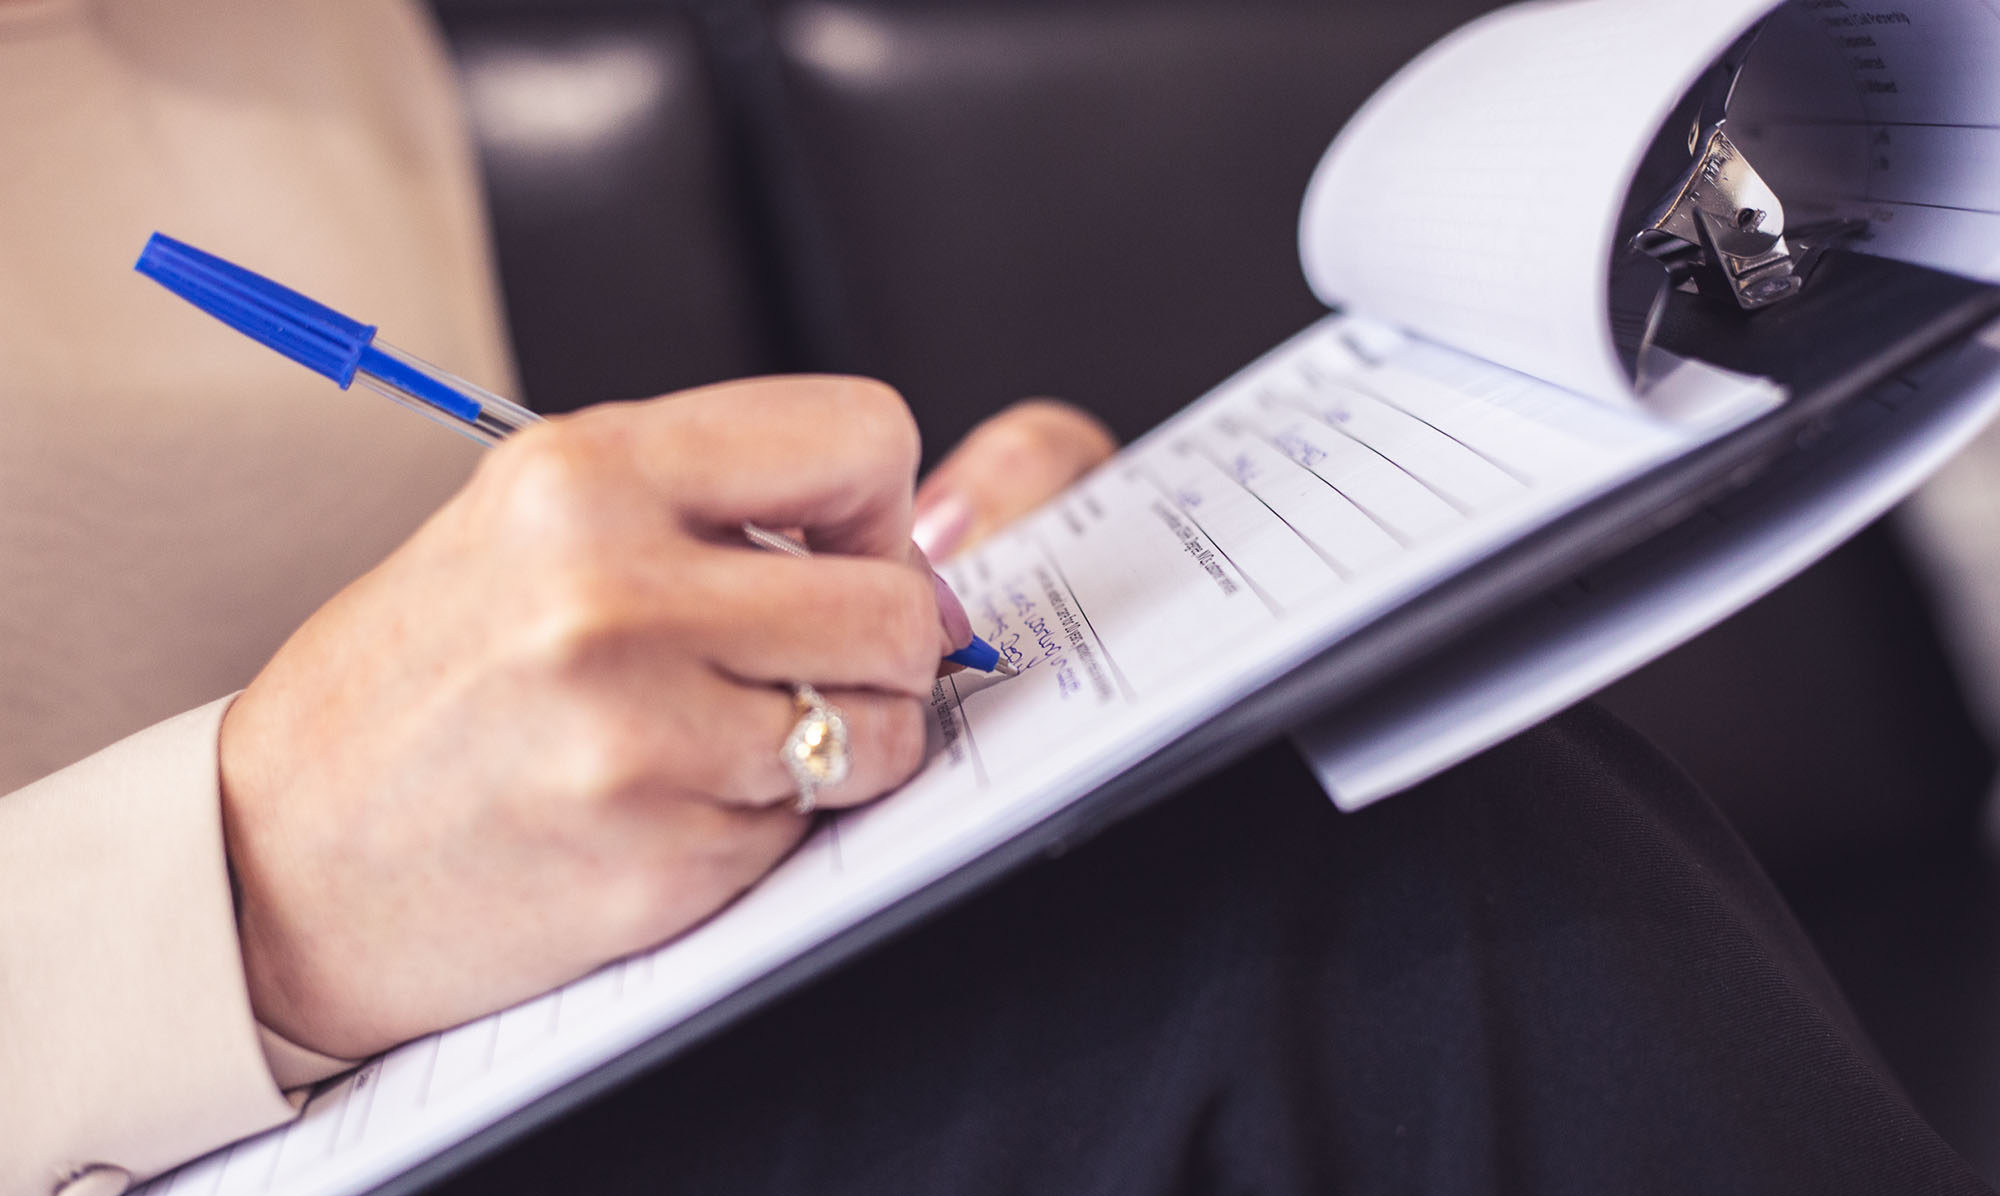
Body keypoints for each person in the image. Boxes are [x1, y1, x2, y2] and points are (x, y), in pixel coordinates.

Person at [0, 2, 1989, 1195]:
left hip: (453, 1062)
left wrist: (721, 664)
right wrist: (253, 884)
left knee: (1328, 826)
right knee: (1397, 925)